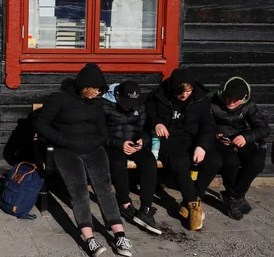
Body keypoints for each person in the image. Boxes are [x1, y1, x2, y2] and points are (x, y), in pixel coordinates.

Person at [35, 63, 134, 257]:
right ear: (85, 85)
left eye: (100, 89)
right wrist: (61, 141)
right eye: (95, 88)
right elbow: (41, 124)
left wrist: (98, 141)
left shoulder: (96, 102)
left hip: (94, 149)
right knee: (79, 191)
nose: (97, 93)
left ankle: (119, 234)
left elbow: (102, 129)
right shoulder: (59, 99)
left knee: (105, 188)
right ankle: (89, 238)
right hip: (66, 151)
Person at [146, 68, 222, 231]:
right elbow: (149, 115)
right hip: (168, 139)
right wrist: (156, 123)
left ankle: (191, 199)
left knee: (213, 161)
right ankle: (194, 206)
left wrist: (201, 146)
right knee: (179, 162)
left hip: (193, 139)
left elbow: (208, 125)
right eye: (180, 94)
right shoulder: (158, 96)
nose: (184, 96)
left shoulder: (201, 99)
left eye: (188, 93)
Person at [102, 80, 161, 235]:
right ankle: (125, 204)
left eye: (132, 102)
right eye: (125, 102)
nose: (128, 106)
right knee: (118, 163)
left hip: (134, 142)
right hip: (112, 145)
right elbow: (98, 134)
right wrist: (119, 144)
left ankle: (145, 209)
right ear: (117, 94)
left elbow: (144, 128)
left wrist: (143, 141)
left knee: (149, 162)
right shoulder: (104, 105)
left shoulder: (139, 105)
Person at [211, 77, 269, 220]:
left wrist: (246, 137)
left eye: (235, 99)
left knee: (256, 160)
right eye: (228, 97)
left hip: (241, 138)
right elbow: (204, 124)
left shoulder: (249, 105)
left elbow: (263, 128)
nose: (231, 102)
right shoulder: (212, 104)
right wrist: (216, 134)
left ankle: (232, 196)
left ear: (244, 97)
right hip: (220, 141)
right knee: (231, 162)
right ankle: (236, 198)